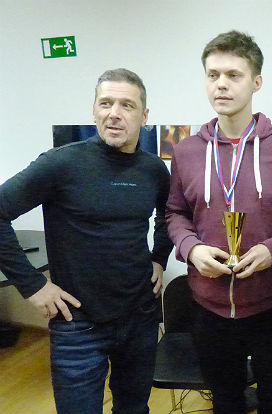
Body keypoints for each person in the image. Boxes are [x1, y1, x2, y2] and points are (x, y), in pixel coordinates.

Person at [0, 68, 173, 414]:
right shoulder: (60, 164)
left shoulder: (154, 169)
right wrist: (33, 285)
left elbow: (168, 216)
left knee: (135, 409)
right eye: (106, 103)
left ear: (144, 116)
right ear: (94, 111)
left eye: (127, 105)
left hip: (140, 317)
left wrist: (159, 258)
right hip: (77, 324)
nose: (114, 113)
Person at [165, 30, 272, 414]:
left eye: (234, 75)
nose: (222, 84)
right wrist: (191, 249)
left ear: (256, 82)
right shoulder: (186, 152)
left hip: (271, 306)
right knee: (226, 402)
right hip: (208, 308)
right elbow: (174, 212)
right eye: (213, 75)